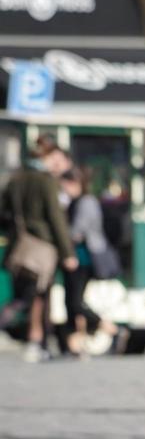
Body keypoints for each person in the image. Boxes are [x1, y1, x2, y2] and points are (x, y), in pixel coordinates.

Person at [0, 149, 77, 362]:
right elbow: (55, 217)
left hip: (19, 245)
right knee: (38, 296)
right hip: (43, 247)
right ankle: (38, 341)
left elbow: (3, 212)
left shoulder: (14, 180)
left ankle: (39, 341)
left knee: (24, 295)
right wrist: (67, 252)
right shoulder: (46, 181)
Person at [59, 167, 123, 356]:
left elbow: (77, 232)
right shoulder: (76, 201)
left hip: (84, 258)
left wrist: (60, 238)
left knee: (77, 301)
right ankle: (75, 343)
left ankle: (108, 327)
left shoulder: (86, 202)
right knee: (71, 301)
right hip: (76, 256)